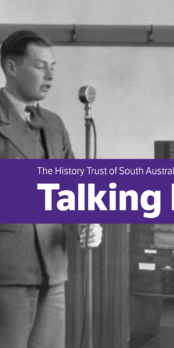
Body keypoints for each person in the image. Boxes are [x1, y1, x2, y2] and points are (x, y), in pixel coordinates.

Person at [0, 30, 103, 348]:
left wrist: (88, 221)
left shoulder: (54, 125)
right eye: (40, 66)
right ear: (11, 67)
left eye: (53, 67)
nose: (49, 76)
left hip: (52, 267)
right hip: (7, 272)